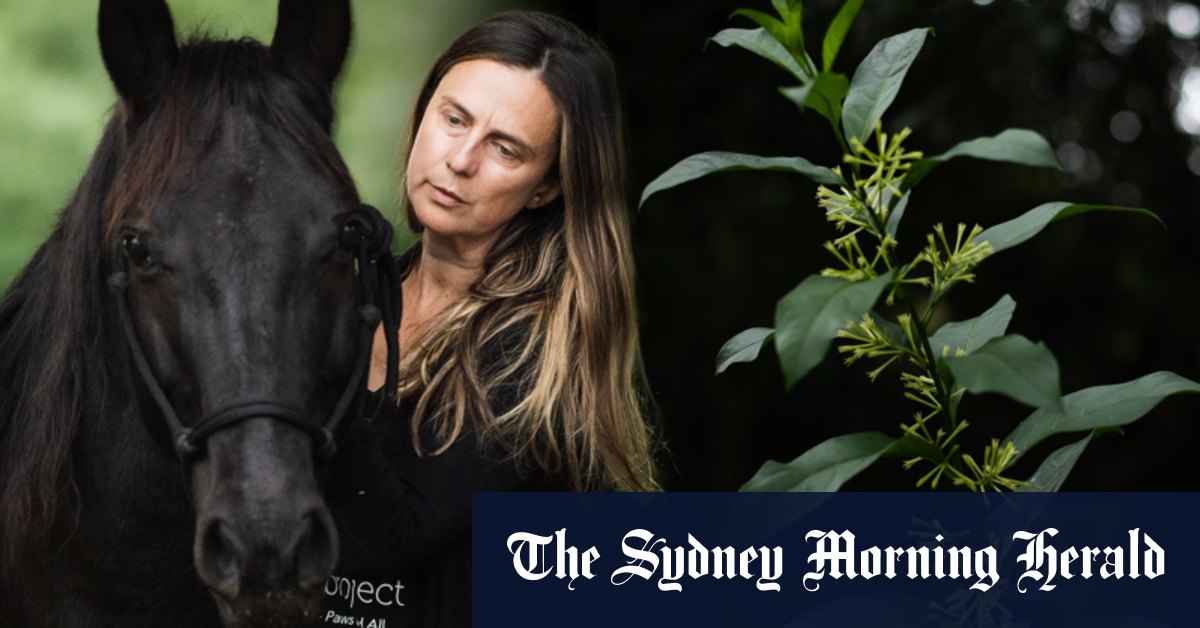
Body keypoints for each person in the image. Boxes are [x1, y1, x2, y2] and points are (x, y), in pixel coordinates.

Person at [321, 11, 658, 627]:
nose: (461, 160)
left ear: (545, 188)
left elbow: (389, 538)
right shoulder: (369, 295)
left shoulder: (542, 348)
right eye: (454, 120)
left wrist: (314, 356)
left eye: (505, 149)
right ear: (424, 112)